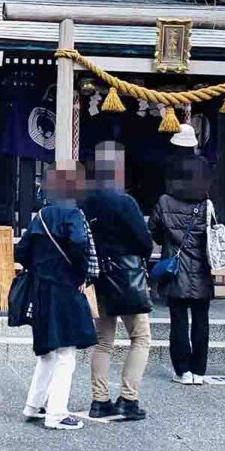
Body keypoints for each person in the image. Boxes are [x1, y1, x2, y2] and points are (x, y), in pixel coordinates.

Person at [15, 165, 98, 431]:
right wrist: (80, 275)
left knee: (47, 351)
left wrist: (39, 267)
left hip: (40, 288)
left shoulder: (41, 215)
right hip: (65, 288)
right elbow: (80, 245)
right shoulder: (72, 213)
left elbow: (21, 251)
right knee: (65, 353)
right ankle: (57, 414)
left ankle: (33, 406)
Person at [80, 142, 152, 421]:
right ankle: (128, 398)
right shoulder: (125, 202)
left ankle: (99, 400)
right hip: (127, 276)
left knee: (103, 341)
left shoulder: (85, 202)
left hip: (98, 277)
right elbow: (144, 242)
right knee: (140, 337)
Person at [150, 124, 215, 386]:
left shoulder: (165, 201)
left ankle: (182, 370)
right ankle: (199, 371)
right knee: (201, 320)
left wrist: (169, 242)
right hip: (201, 268)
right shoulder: (206, 204)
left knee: (178, 320)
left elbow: (154, 231)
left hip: (175, 268)